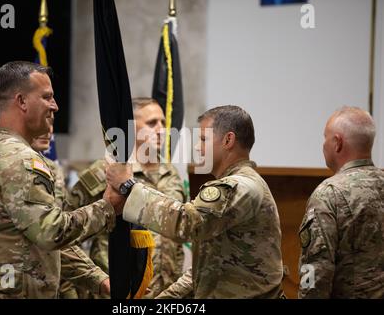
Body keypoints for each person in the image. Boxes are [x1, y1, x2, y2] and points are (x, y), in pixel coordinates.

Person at [0, 61, 122, 298]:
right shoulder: (20, 160)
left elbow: (38, 237)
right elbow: (51, 233)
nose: (55, 106)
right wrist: (108, 207)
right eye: (47, 97)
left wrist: (98, 280)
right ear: (21, 101)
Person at [105, 105, 284, 298]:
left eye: (203, 139)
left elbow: (188, 223)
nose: (197, 147)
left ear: (228, 140)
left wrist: (128, 187)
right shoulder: (235, 184)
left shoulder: (240, 186)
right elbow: (208, 266)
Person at [0, 129, 110, 298]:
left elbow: (48, 234)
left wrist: (97, 279)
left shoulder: (46, 171)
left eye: (51, 124)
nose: (47, 131)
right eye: (41, 123)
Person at [66, 98, 185, 298]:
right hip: (117, 291)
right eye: (151, 123)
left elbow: (176, 235)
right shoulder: (106, 172)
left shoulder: (171, 173)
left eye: (163, 123)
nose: (161, 129)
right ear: (131, 127)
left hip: (165, 293)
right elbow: (66, 229)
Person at [298, 106, 384, 299]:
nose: (323, 145)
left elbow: (315, 268)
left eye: (325, 138)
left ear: (337, 143)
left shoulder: (329, 194)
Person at [30, 128, 110, 299]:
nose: (49, 130)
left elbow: (61, 236)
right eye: (151, 123)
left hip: (53, 283)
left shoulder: (53, 171)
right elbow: (61, 232)